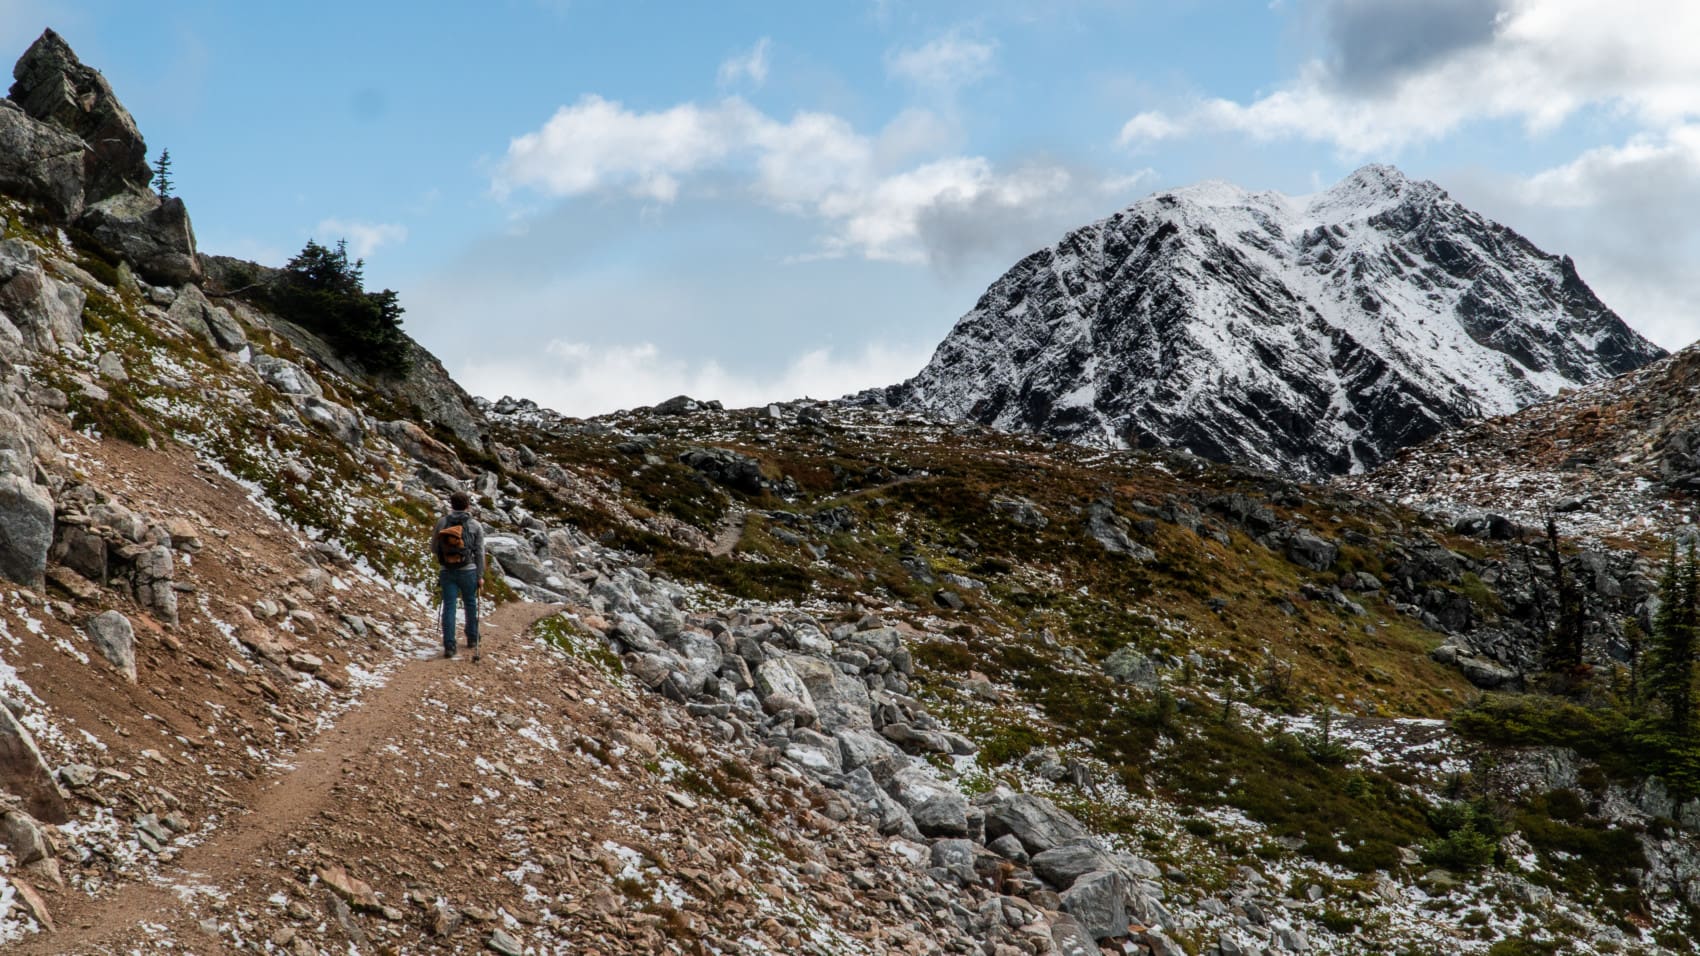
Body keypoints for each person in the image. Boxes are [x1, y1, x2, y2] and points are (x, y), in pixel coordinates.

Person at [430, 491, 485, 661]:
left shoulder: (442, 522)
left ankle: (449, 645)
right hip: (468, 570)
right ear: (468, 505)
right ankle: (472, 637)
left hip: (447, 570)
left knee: (449, 606)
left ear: (451, 504)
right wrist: (480, 574)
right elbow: (480, 552)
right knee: (470, 602)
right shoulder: (475, 525)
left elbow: (433, 547)